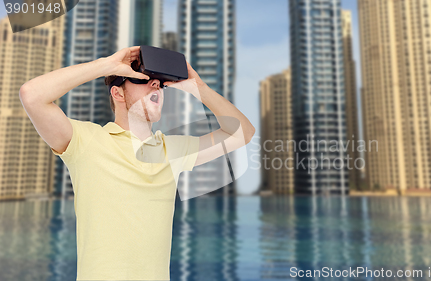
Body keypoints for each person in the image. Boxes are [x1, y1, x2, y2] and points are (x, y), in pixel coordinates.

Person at [19, 46, 255, 280]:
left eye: (159, 82)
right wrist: (107, 65)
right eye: (142, 79)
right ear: (118, 93)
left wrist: (199, 88)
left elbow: (242, 133)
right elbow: (32, 95)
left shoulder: (171, 151)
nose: (155, 85)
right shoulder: (86, 141)